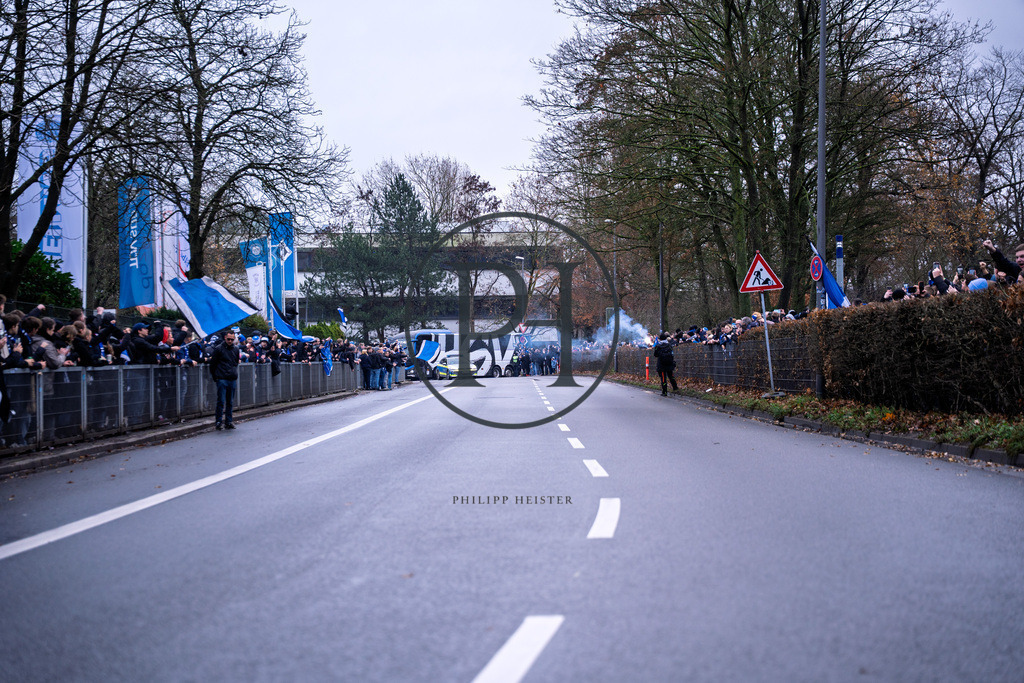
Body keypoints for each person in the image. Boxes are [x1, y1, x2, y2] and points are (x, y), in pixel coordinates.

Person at [208, 330, 240, 430]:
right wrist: (216, 377)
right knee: (221, 401)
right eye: (228, 339)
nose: (230, 341)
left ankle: (228, 421)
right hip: (222, 377)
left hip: (231, 377)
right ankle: (218, 421)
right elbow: (213, 364)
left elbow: (235, 362)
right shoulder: (219, 349)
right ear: (225, 338)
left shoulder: (235, 349)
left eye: (232, 339)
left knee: (230, 401)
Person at [653, 332, 679, 396]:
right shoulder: (669, 345)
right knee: (671, 376)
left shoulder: (658, 346)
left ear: (660, 339)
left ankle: (664, 392)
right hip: (669, 363)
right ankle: (675, 388)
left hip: (661, 364)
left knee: (663, 378)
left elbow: (655, 355)